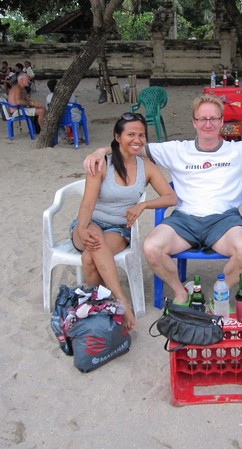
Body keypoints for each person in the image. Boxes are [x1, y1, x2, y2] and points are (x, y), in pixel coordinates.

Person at [83, 94, 242, 306]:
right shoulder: (176, 149)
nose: (208, 123)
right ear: (194, 121)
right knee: (151, 247)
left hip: (224, 221)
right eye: (202, 118)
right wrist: (101, 150)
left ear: (222, 121)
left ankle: (218, 290)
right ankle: (181, 292)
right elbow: (132, 146)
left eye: (213, 118)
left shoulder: (240, 150)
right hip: (184, 219)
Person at [71, 113, 177, 331]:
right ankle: (121, 302)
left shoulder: (146, 167)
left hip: (117, 229)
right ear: (117, 137)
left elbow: (170, 197)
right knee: (94, 241)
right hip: (88, 223)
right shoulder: (101, 164)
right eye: (130, 134)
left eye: (141, 135)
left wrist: (142, 205)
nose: (137, 140)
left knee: (90, 257)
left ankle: (97, 307)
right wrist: (82, 228)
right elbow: (87, 205)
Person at [46, 78, 83, 144]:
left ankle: (66, 137)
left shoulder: (49, 97)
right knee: (80, 116)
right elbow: (76, 104)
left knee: (57, 122)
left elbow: (48, 109)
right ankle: (79, 137)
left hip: (59, 119)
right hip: (72, 118)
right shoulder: (69, 94)